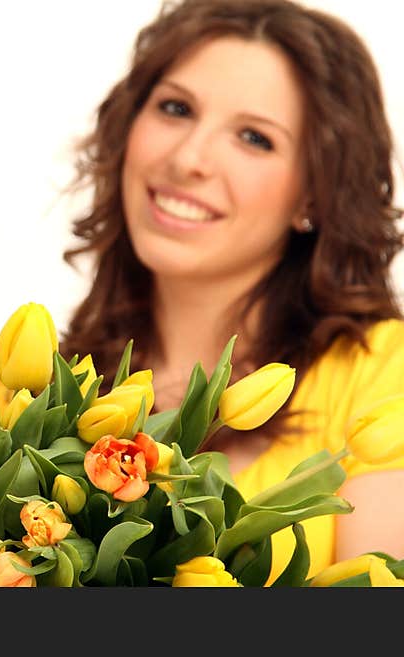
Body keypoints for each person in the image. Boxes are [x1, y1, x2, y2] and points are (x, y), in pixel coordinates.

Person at [60, 0, 404, 583]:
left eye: (253, 138)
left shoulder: (381, 376)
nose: (188, 159)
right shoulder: (55, 388)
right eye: (175, 108)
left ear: (315, 196)